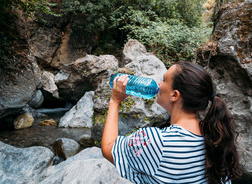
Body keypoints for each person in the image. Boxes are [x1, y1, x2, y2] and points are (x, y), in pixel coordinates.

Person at [101, 61, 241, 184]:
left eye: (164, 80)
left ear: (174, 95)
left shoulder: (156, 142)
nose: (159, 84)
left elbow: (108, 148)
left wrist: (115, 101)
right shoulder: (216, 138)